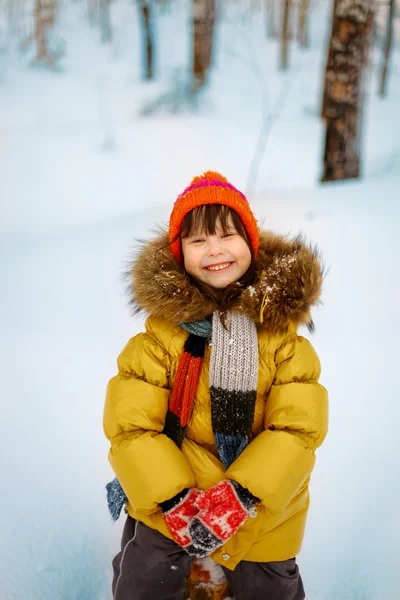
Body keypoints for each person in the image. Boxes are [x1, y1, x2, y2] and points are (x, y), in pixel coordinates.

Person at [103, 171, 328, 600]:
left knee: (269, 585)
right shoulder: (158, 339)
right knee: (143, 579)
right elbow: (130, 428)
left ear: (251, 243)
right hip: (175, 496)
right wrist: (173, 501)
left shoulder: (281, 339)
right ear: (179, 255)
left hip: (261, 503)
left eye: (227, 235)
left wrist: (241, 494)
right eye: (198, 241)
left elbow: (298, 431)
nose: (215, 250)